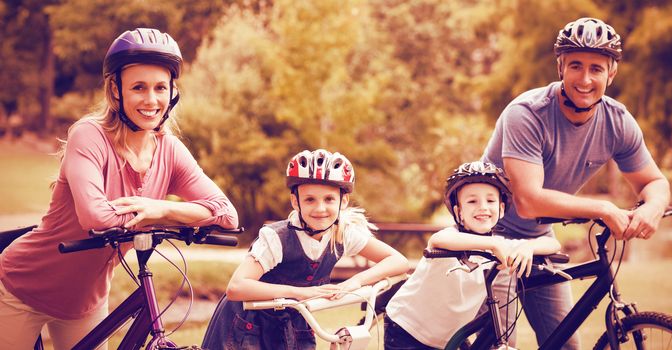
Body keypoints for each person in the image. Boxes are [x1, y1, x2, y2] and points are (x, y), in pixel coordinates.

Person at [0, 28, 239, 349]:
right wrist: (188, 214)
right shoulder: (88, 135)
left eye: (160, 88)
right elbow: (96, 217)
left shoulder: (170, 150)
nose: (151, 99)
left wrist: (162, 209)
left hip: (84, 305)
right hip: (22, 290)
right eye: (138, 87)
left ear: (172, 92)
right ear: (116, 90)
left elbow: (227, 214)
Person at [480, 17, 671, 349]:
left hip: (538, 239)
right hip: (489, 236)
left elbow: (653, 181)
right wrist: (601, 208)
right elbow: (527, 200)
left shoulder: (617, 122)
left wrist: (653, 207)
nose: (585, 79)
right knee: (501, 345)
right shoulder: (527, 113)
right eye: (575, 66)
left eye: (596, 69)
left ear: (611, 73)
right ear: (560, 67)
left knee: (565, 344)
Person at [202, 149, 410, 350]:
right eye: (310, 199)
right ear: (296, 201)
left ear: (343, 201)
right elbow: (236, 287)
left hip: (294, 325)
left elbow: (398, 261)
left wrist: (355, 282)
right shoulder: (277, 238)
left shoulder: (342, 233)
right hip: (246, 327)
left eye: (329, 199)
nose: (320, 209)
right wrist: (300, 294)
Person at [383, 161, 561, 349]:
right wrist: (492, 244)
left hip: (450, 337)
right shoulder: (453, 237)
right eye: (472, 201)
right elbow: (438, 239)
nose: (483, 207)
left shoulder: (500, 244)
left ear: (501, 209)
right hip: (407, 331)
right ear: (459, 212)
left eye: (490, 201)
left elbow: (553, 243)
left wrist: (528, 247)